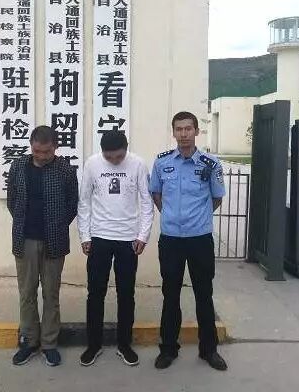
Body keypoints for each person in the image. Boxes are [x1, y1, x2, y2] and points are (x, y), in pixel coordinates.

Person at [149, 111, 228, 371]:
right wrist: (171, 216)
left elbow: (217, 197)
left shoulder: (210, 163)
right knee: (170, 295)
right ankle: (168, 349)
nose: (183, 134)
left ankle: (209, 350)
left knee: (204, 294)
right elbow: (156, 194)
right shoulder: (161, 162)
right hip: (171, 239)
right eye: (179, 129)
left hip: (199, 239)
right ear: (173, 132)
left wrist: (198, 218)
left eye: (188, 129)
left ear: (196, 131)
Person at [77, 131, 154, 367]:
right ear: (102, 152)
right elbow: (84, 201)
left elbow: (146, 201)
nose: (113, 161)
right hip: (99, 238)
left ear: (126, 148)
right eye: (108, 157)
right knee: (95, 293)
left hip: (128, 240)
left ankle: (124, 344)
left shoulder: (138, 164)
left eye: (119, 157)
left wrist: (143, 235)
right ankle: (94, 344)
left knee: (126, 293)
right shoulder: (92, 164)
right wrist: (85, 235)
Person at [6, 126, 78, 367]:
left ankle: (49, 344)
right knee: (26, 293)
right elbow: (12, 200)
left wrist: (57, 225)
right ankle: (28, 341)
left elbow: (72, 204)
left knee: (51, 294)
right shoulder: (18, 166)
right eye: (37, 151)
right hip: (24, 240)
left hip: (54, 241)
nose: (41, 156)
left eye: (46, 152)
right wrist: (23, 223)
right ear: (31, 146)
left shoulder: (65, 170)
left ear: (55, 147)